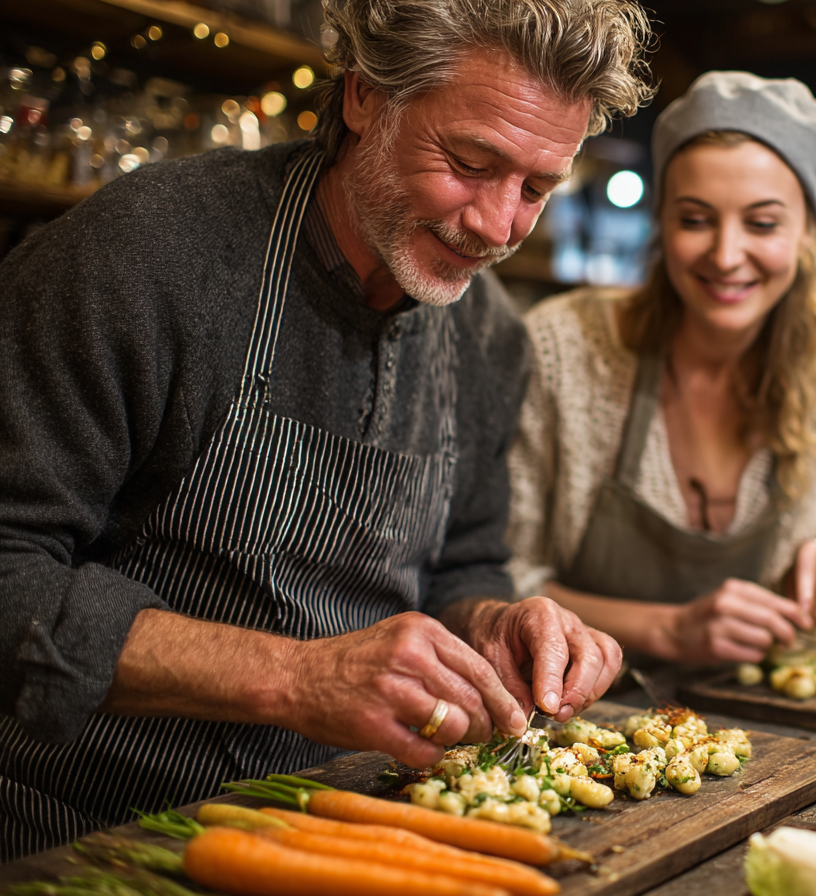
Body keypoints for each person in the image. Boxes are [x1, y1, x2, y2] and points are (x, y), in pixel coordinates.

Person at [0, 0, 653, 859]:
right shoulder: (140, 256)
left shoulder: (489, 337)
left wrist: (494, 623)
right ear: (365, 97)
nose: (498, 227)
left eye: (535, 188)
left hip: (345, 833)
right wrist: (295, 676)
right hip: (81, 831)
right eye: (468, 162)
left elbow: (462, 563)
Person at [506, 71, 816, 666]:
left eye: (763, 223)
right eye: (695, 219)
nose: (726, 256)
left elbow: (789, 572)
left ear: (807, 232)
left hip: (747, 733)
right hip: (565, 728)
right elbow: (491, 584)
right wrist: (669, 630)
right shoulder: (565, 345)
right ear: (662, 223)